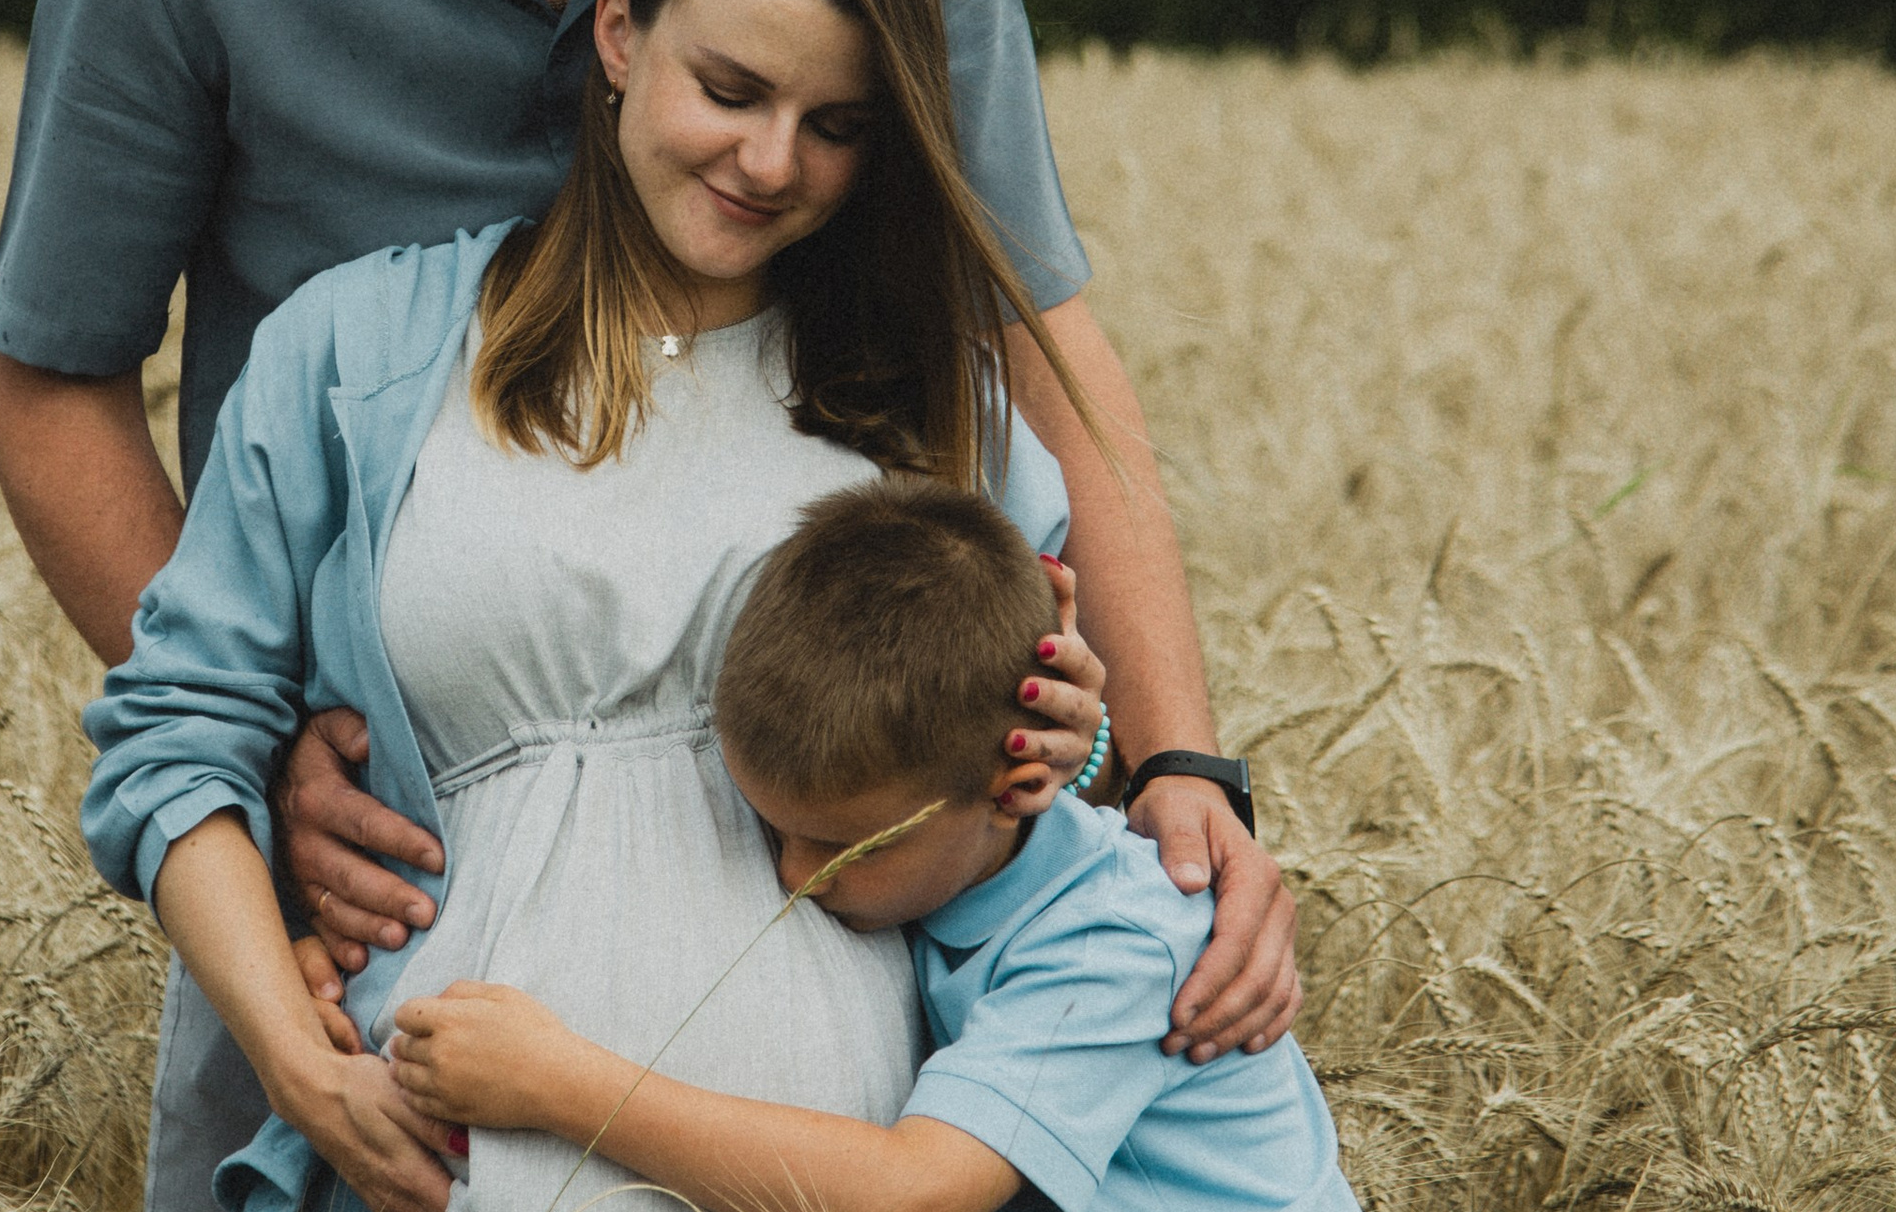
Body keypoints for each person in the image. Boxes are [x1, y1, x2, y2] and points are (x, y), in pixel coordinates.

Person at [0, 0, 1295, 1210]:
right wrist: (277, 747)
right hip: (387, 879)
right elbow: (50, 384)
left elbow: (1028, 343)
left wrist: (1167, 755)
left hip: (821, 933)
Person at [82, 0, 1113, 1212]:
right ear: (620, 36)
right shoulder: (361, 354)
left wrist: (1063, 740)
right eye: (731, 89)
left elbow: (1017, 819)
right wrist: (300, 1070)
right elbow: (178, 743)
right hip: (431, 1166)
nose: (768, 160)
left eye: (835, 126)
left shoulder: (943, 416)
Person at [390, 477, 1361, 1212]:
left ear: (1016, 784)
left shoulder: (1115, 943)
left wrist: (559, 1084)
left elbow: (914, 1191)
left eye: (839, 845)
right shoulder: (954, 856)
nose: (791, 874)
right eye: (774, 828)